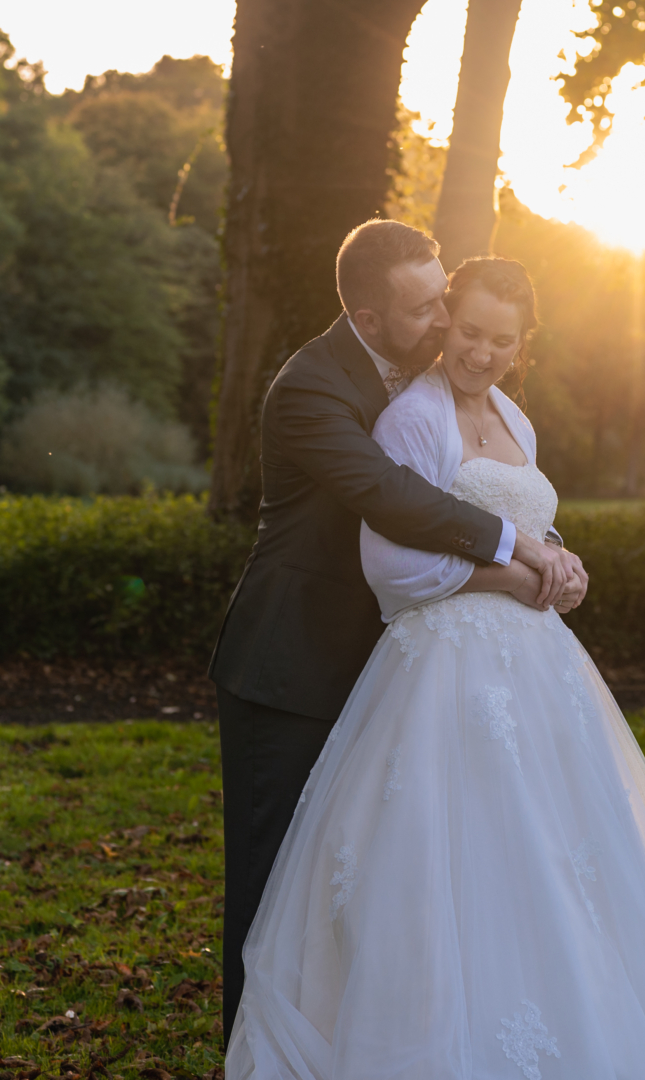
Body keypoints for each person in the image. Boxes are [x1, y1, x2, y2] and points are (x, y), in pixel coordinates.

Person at [225, 258, 645, 1080]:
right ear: (445, 324)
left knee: (562, 859)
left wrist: (562, 563)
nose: (481, 353)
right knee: (448, 859)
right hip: (443, 675)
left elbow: (528, 520)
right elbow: (390, 568)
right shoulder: (410, 419)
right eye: (468, 332)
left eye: (501, 339)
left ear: (523, 344)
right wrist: (523, 574)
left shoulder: (519, 424)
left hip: (538, 674)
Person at [208, 221, 588, 1046]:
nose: (446, 321)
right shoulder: (311, 387)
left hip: (392, 662)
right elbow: (389, 495)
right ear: (370, 320)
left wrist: (549, 548)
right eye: (427, 309)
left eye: (442, 294)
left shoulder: (439, 379)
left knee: (373, 878)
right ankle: (257, 1050)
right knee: (277, 880)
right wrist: (520, 550)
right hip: (292, 666)